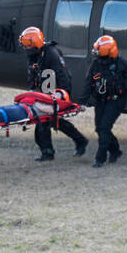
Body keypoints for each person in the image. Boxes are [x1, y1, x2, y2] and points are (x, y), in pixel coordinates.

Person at [77, 34, 127, 168]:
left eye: (99, 52)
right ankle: (115, 151)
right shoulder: (95, 64)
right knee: (100, 128)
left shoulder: (121, 63)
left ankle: (100, 159)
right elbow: (88, 83)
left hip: (116, 100)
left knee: (104, 127)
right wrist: (82, 102)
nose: (96, 56)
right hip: (101, 100)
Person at [20, 26, 87, 162]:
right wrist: (32, 91)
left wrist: (63, 94)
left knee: (44, 122)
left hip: (56, 91)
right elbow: (32, 75)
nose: (26, 49)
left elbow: (62, 75)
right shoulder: (33, 56)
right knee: (51, 121)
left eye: (27, 46)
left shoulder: (51, 53)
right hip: (44, 91)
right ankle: (79, 140)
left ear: (35, 43)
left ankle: (48, 152)